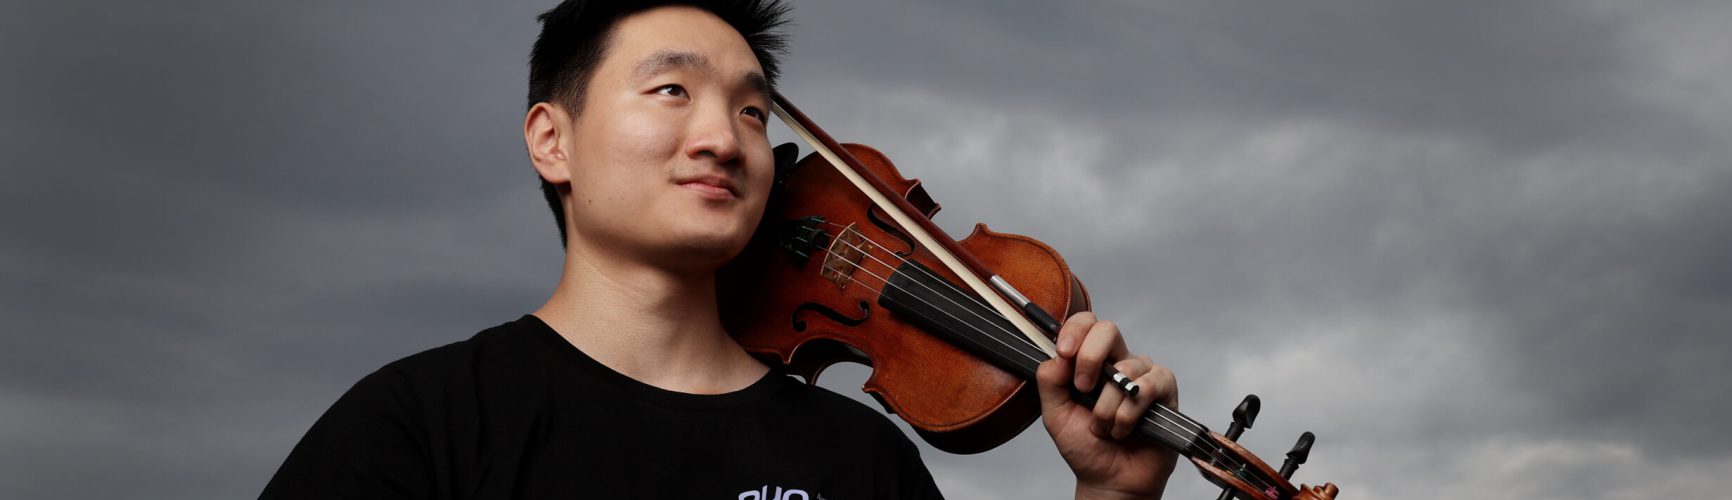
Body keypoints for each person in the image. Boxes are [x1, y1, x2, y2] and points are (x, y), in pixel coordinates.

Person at [260, 1, 1182, 498]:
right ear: (552, 139)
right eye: (671, 91)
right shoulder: (422, 423)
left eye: (750, 108)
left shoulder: (860, 459)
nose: (725, 137)